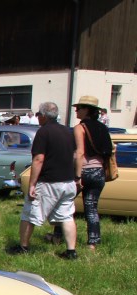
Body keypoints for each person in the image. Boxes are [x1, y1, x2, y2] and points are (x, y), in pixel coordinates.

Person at [10, 101, 78, 259]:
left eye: (38, 114)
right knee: (67, 216)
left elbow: (39, 159)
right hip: (68, 182)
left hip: (48, 182)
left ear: (44, 116)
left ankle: (24, 247)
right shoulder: (67, 131)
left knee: (29, 214)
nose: (37, 117)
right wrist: (75, 176)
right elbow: (75, 156)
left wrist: (32, 184)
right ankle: (71, 251)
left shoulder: (43, 132)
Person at [72, 95, 113, 251]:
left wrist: (77, 177)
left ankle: (59, 236)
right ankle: (92, 243)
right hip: (99, 172)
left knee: (65, 204)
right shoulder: (103, 128)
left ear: (87, 110)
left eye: (79, 108)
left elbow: (80, 153)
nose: (76, 111)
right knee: (91, 206)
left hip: (84, 170)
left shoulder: (80, 128)